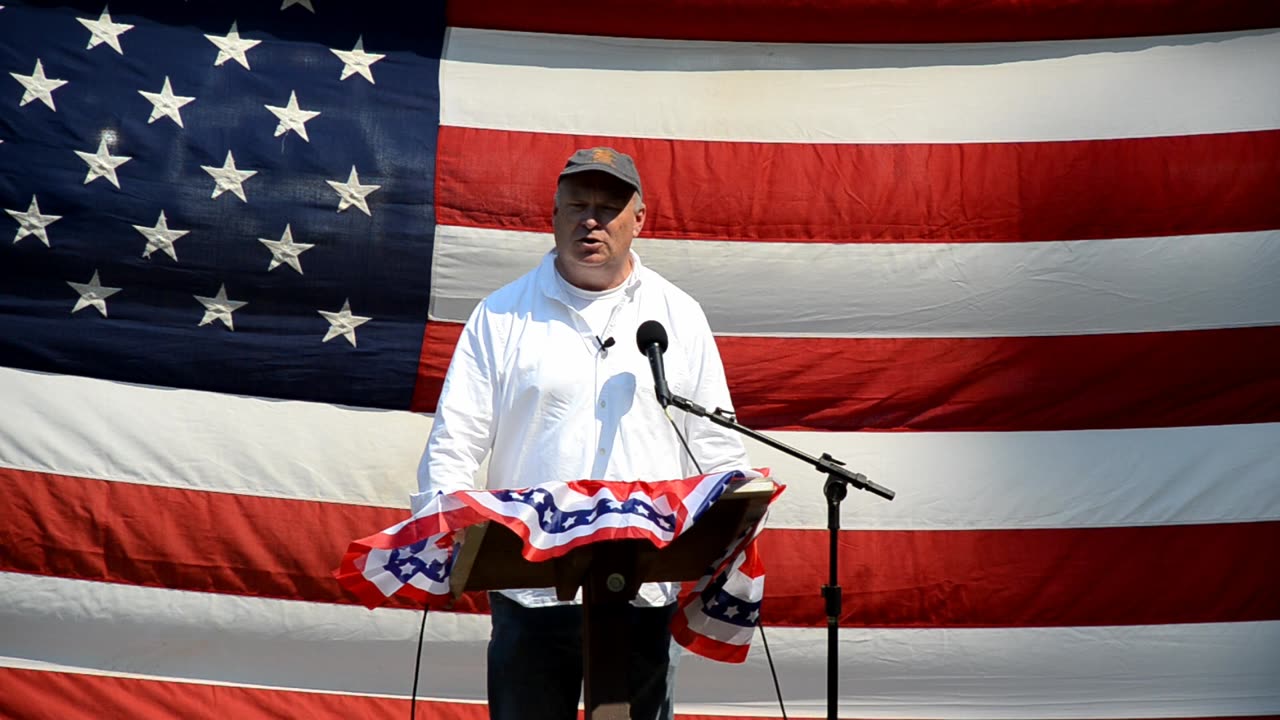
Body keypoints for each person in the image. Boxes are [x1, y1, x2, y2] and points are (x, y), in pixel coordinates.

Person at [415, 147, 750, 720]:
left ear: (640, 219)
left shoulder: (679, 316)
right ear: (553, 214)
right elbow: (453, 444)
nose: (590, 220)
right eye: (577, 205)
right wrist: (443, 534)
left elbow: (716, 447)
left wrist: (732, 519)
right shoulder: (501, 316)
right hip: (529, 590)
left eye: (608, 207)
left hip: (643, 587)